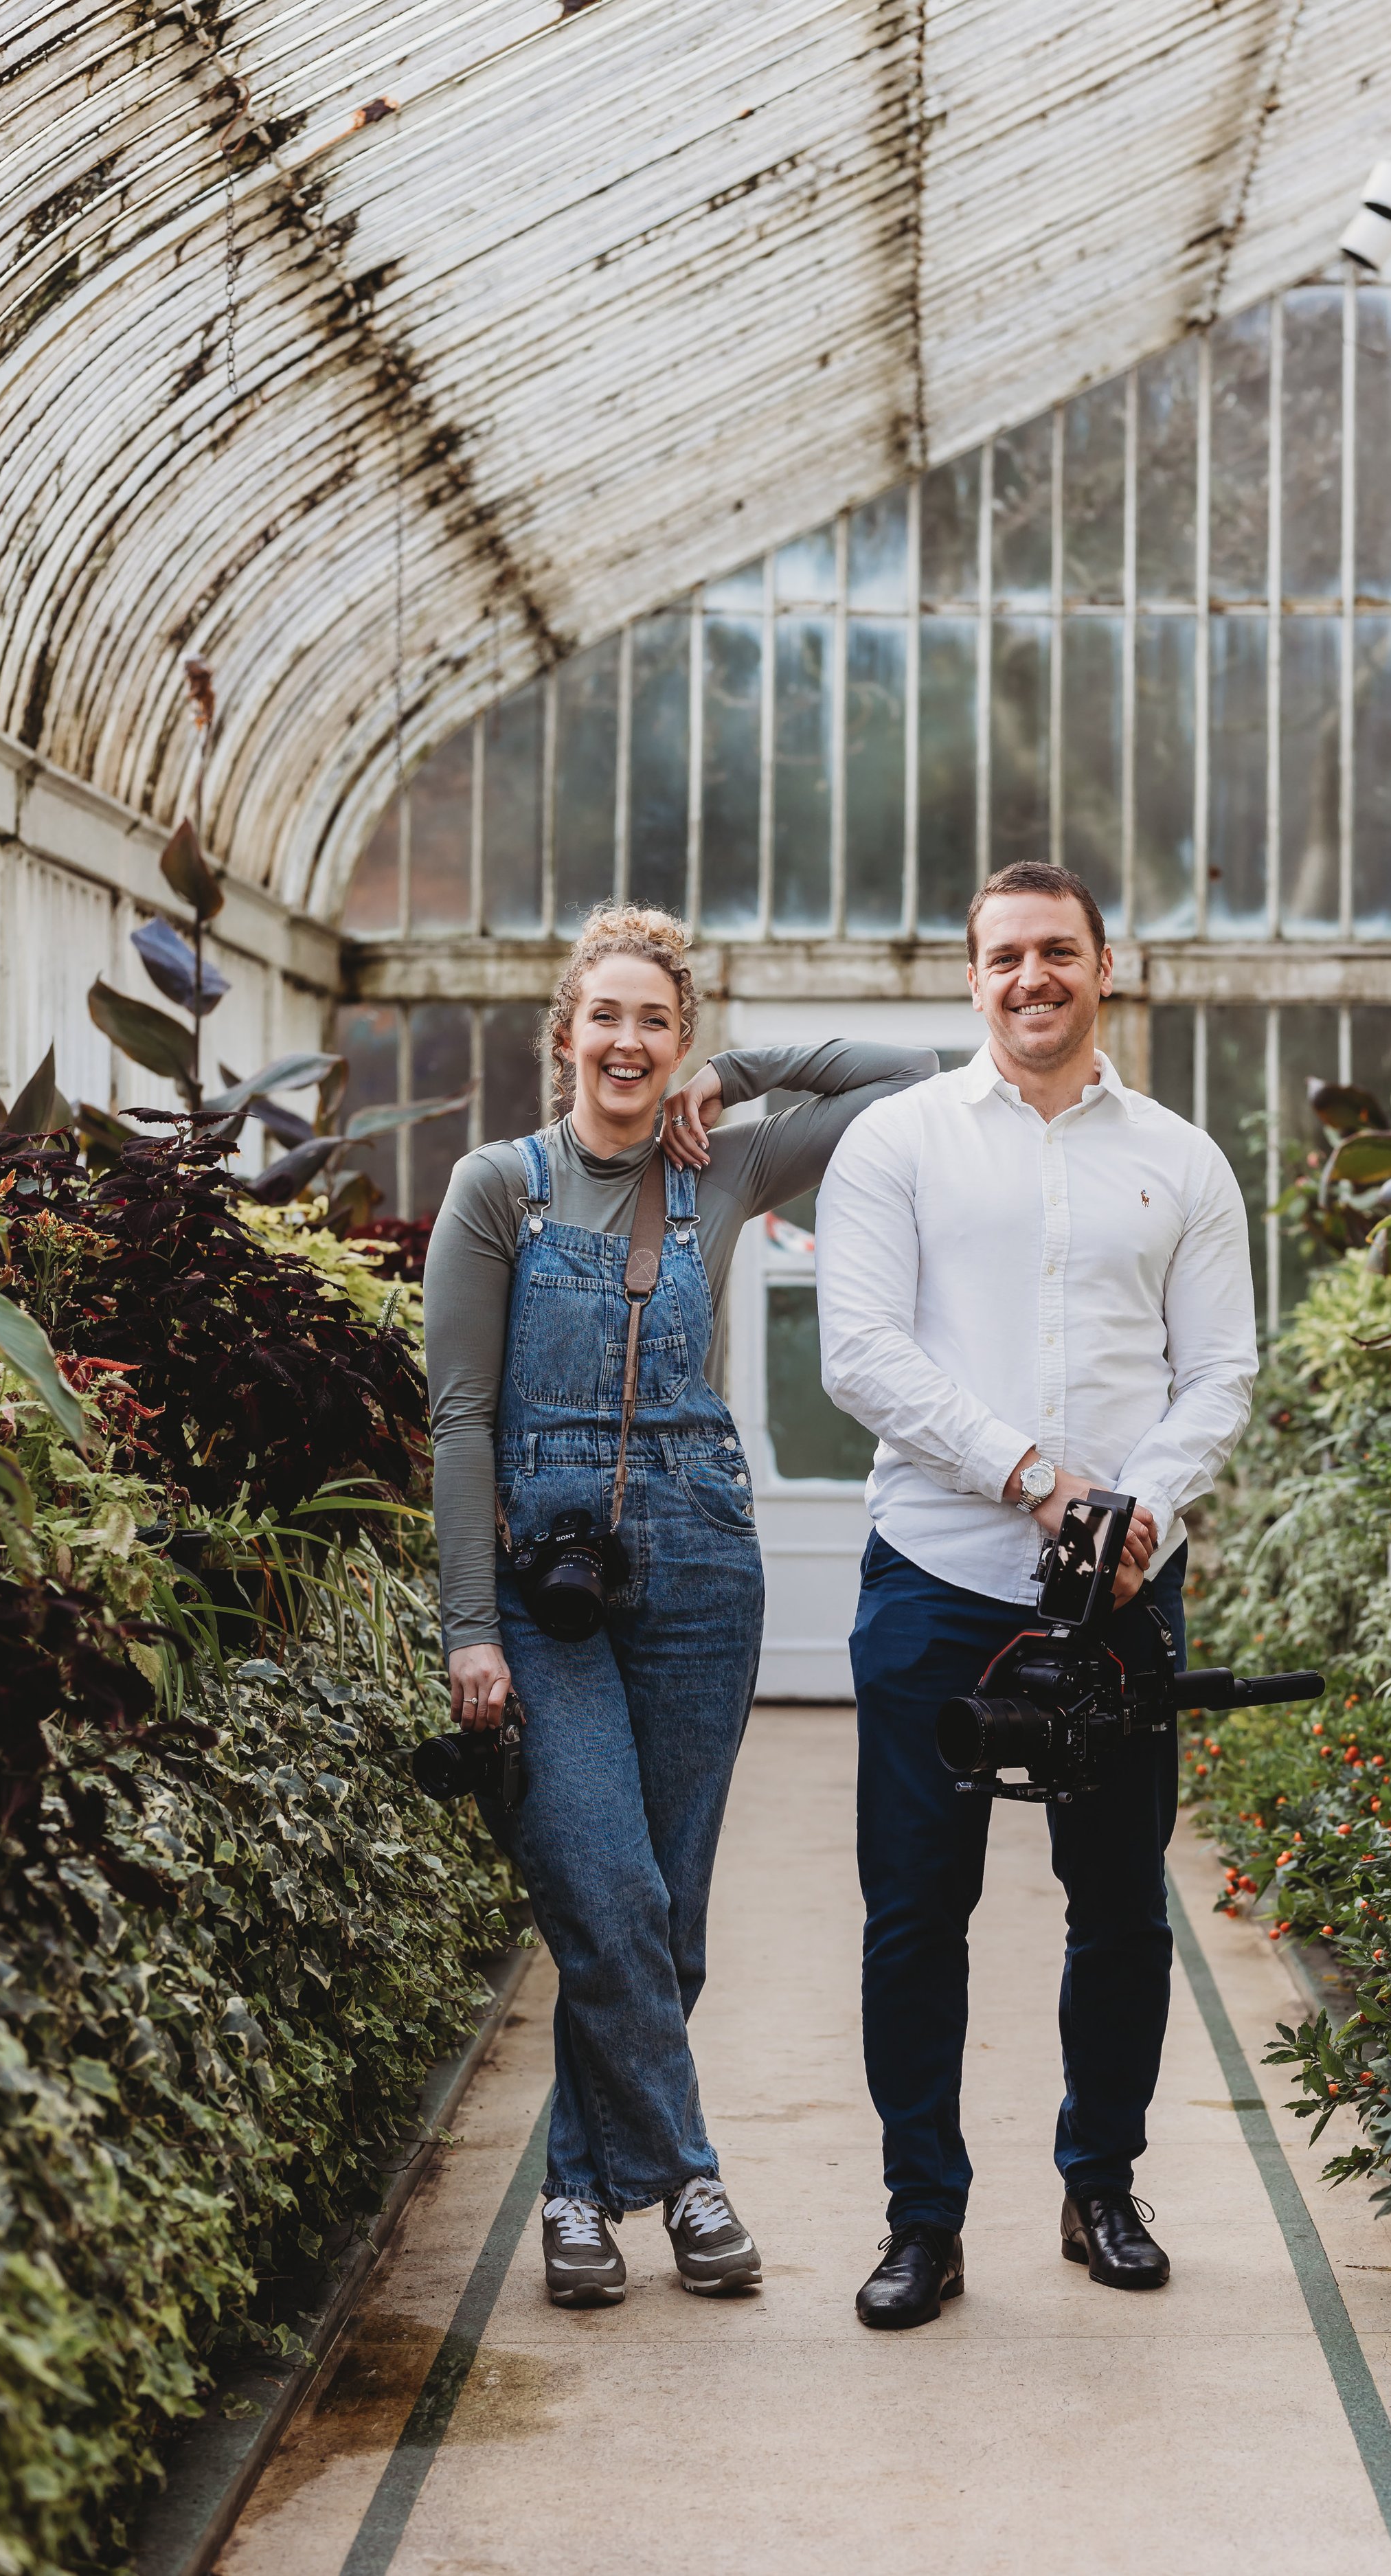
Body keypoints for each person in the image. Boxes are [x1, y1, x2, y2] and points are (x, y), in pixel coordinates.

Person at [423, 903, 935, 2309]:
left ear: (679, 1042)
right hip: (544, 1578)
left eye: (657, 1020)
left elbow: (911, 1079)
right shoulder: (497, 1190)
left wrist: (751, 1071)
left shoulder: (729, 1161)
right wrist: (468, 1627)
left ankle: (580, 2202)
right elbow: (460, 1422)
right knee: (609, 1891)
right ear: (565, 1037)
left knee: (675, 1911)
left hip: (702, 1560)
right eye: (606, 1017)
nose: (629, 1041)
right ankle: (691, 2175)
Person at [815, 860, 1257, 2329]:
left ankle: (1101, 2182)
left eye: (1056, 952)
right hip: (940, 1581)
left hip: (1125, 1596)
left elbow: (1217, 1375)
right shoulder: (897, 1145)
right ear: (968, 976)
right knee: (911, 1914)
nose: (1031, 979)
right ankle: (920, 2221)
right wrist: (1039, 1483)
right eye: (1004, 955)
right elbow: (861, 1356)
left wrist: (1140, 1512)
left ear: (1103, 967)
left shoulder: (1180, 1160)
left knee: (1121, 1908)